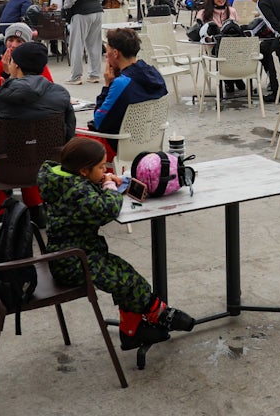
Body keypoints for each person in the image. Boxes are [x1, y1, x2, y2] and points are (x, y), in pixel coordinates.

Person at [37, 136, 195, 351]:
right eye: (102, 167)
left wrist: (101, 179)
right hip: (73, 262)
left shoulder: (64, 181)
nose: (105, 170)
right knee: (128, 282)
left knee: (125, 274)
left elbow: (84, 197)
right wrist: (110, 187)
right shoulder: (77, 191)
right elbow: (107, 210)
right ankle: (159, 314)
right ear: (83, 171)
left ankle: (132, 331)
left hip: (77, 254)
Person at [0, 41, 75, 211]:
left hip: (6, 166)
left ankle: (3, 212)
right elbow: (69, 133)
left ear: (16, 66)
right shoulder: (61, 94)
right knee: (32, 147)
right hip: (48, 165)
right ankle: (35, 207)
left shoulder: (2, 95)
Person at [90, 28, 167, 161]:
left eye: (107, 53)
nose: (106, 57)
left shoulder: (121, 83)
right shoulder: (155, 75)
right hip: (151, 143)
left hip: (121, 146)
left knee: (75, 144)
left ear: (115, 53)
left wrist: (107, 86)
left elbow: (98, 122)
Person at [0, 23, 54, 103]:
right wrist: (5, 74)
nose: (14, 45)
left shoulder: (35, 60)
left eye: (19, 41)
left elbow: (49, 90)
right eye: (10, 40)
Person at [63, 0, 104, 85]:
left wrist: (66, 7)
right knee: (95, 44)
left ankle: (76, 76)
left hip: (81, 12)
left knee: (76, 44)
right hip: (97, 11)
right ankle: (94, 74)